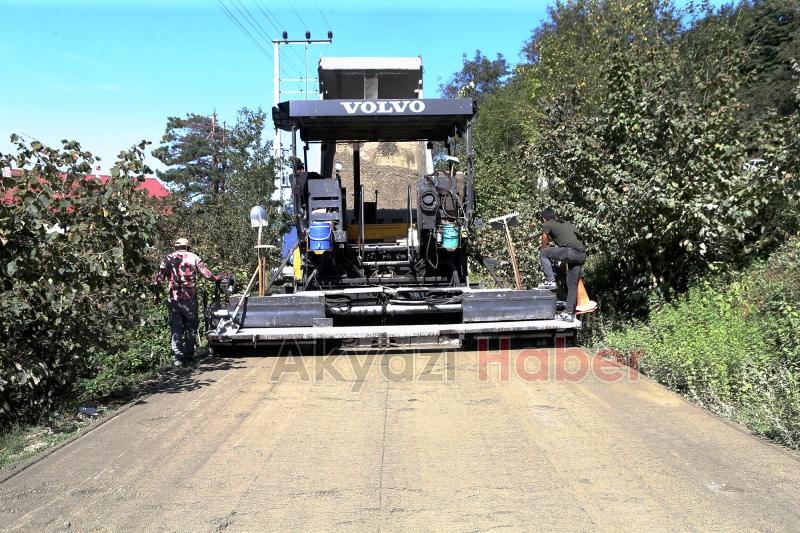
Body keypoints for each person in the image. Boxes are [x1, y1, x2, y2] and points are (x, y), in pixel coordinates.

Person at [153, 237, 220, 366]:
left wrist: (156, 294)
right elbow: (206, 274)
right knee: (191, 326)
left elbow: (159, 279)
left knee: (176, 327)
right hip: (189, 298)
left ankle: (178, 357)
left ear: (175, 247)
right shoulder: (193, 257)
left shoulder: (167, 258)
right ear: (187, 247)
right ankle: (188, 355)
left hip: (174, 298)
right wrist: (216, 278)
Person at [537, 208, 587, 322]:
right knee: (572, 285)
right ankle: (569, 314)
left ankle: (550, 281)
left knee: (543, 253)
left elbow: (545, 238)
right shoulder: (566, 224)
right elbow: (570, 246)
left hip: (570, 252)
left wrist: (544, 247)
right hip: (581, 255)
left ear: (544, 218)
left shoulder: (547, 223)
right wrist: (562, 266)